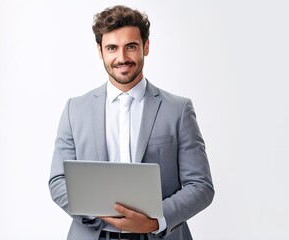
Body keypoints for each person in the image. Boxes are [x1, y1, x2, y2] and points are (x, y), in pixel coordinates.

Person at [49, 5, 214, 240]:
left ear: (146, 47)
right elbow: (58, 180)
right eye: (112, 48)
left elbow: (200, 186)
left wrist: (155, 221)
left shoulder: (178, 109)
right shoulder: (74, 109)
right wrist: (100, 214)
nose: (122, 58)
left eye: (131, 47)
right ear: (100, 50)